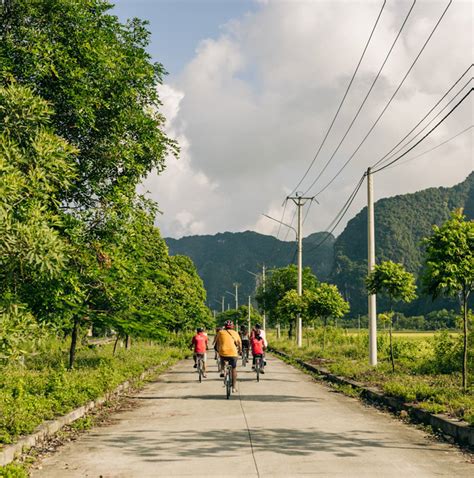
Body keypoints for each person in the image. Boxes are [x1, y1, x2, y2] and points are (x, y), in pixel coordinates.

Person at [215, 320, 242, 393]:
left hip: (223, 352)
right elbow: (239, 344)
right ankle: (233, 387)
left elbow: (217, 342)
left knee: (221, 357)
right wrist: (240, 351)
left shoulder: (220, 332)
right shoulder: (236, 333)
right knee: (234, 369)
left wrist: (218, 349)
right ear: (232, 326)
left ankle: (223, 370)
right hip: (233, 353)